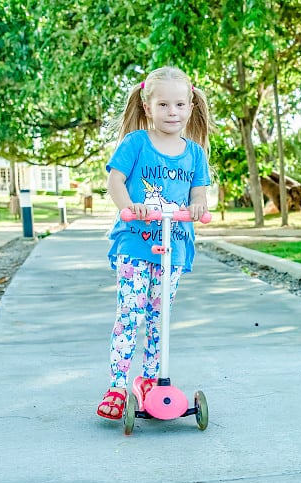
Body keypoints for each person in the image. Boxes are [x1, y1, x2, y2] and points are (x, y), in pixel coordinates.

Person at [97, 66, 214, 419]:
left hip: (173, 249)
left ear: (190, 107)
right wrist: (128, 206)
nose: (172, 112)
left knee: (159, 317)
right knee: (130, 313)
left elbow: (199, 193)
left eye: (179, 105)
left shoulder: (194, 154)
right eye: (164, 105)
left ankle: (149, 381)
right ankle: (118, 385)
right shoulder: (136, 144)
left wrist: (197, 207)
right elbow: (115, 181)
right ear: (149, 107)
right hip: (135, 245)